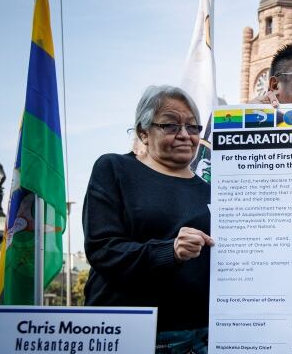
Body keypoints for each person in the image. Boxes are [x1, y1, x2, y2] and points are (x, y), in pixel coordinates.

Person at [83, 85, 214, 353]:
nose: (184, 135)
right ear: (143, 132)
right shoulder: (114, 169)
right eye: (170, 126)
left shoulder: (212, 191)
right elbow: (102, 249)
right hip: (131, 335)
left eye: (192, 127)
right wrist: (170, 251)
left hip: (199, 339)